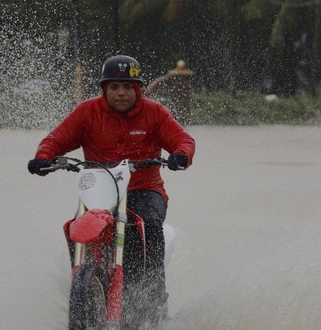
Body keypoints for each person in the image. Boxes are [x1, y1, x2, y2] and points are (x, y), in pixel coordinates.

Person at [27, 54, 195, 327]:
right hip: (99, 190)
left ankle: (152, 297)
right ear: (104, 89)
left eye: (128, 87)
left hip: (144, 188)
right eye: (114, 86)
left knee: (149, 225)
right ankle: (82, 285)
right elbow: (57, 139)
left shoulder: (155, 113)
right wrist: (43, 157)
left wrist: (181, 155)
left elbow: (182, 139)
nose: (121, 93)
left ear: (138, 90)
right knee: (75, 228)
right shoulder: (87, 111)